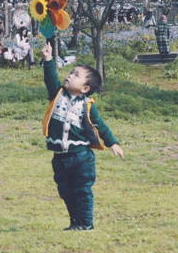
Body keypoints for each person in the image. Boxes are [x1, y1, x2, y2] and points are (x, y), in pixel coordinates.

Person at [41, 42, 125, 230]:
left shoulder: (87, 105)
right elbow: (50, 79)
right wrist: (48, 59)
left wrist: (113, 143)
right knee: (65, 191)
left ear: (85, 88)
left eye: (75, 75)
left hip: (81, 157)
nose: (70, 75)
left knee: (82, 191)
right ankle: (74, 223)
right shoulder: (58, 94)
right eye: (70, 72)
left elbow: (100, 125)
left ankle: (86, 223)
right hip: (60, 157)